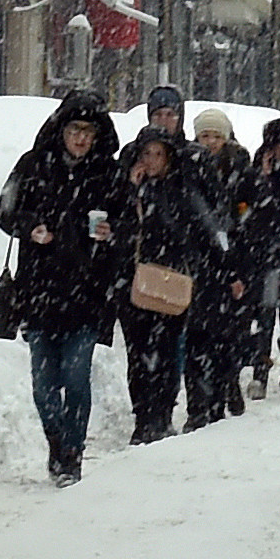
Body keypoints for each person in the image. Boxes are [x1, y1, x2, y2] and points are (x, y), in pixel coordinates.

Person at [0, 90, 130, 485]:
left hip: (88, 294)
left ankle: (72, 454)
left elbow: (132, 223)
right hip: (40, 293)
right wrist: (30, 227)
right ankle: (56, 440)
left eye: (88, 131)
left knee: (76, 378)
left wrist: (113, 232)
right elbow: (4, 211)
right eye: (74, 129)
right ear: (61, 129)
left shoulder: (109, 172)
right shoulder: (34, 165)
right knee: (42, 385)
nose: (81, 138)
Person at [118, 126, 229, 443]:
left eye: (158, 154)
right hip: (134, 282)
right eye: (146, 154)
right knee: (138, 355)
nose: (152, 161)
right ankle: (143, 417)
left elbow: (203, 231)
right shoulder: (128, 188)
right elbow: (117, 228)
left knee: (167, 352)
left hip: (171, 280)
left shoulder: (182, 189)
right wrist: (132, 193)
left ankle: (162, 415)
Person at [183, 108, 260, 428]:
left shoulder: (240, 168)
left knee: (227, 337)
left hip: (230, 264)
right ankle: (198, 407)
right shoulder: (187, 166)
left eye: (216, 136)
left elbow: (248, 220)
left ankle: (223, 389)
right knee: (195, 340)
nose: (210, 142)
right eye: (205, 135)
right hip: (195, 265)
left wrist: (239, 268)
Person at [244, 118, 280, 398]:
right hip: (266, 257)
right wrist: (263, 176)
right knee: (265, 317)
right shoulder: (258, 172)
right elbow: (253, 211)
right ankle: (260, 373)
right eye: (277, 145)